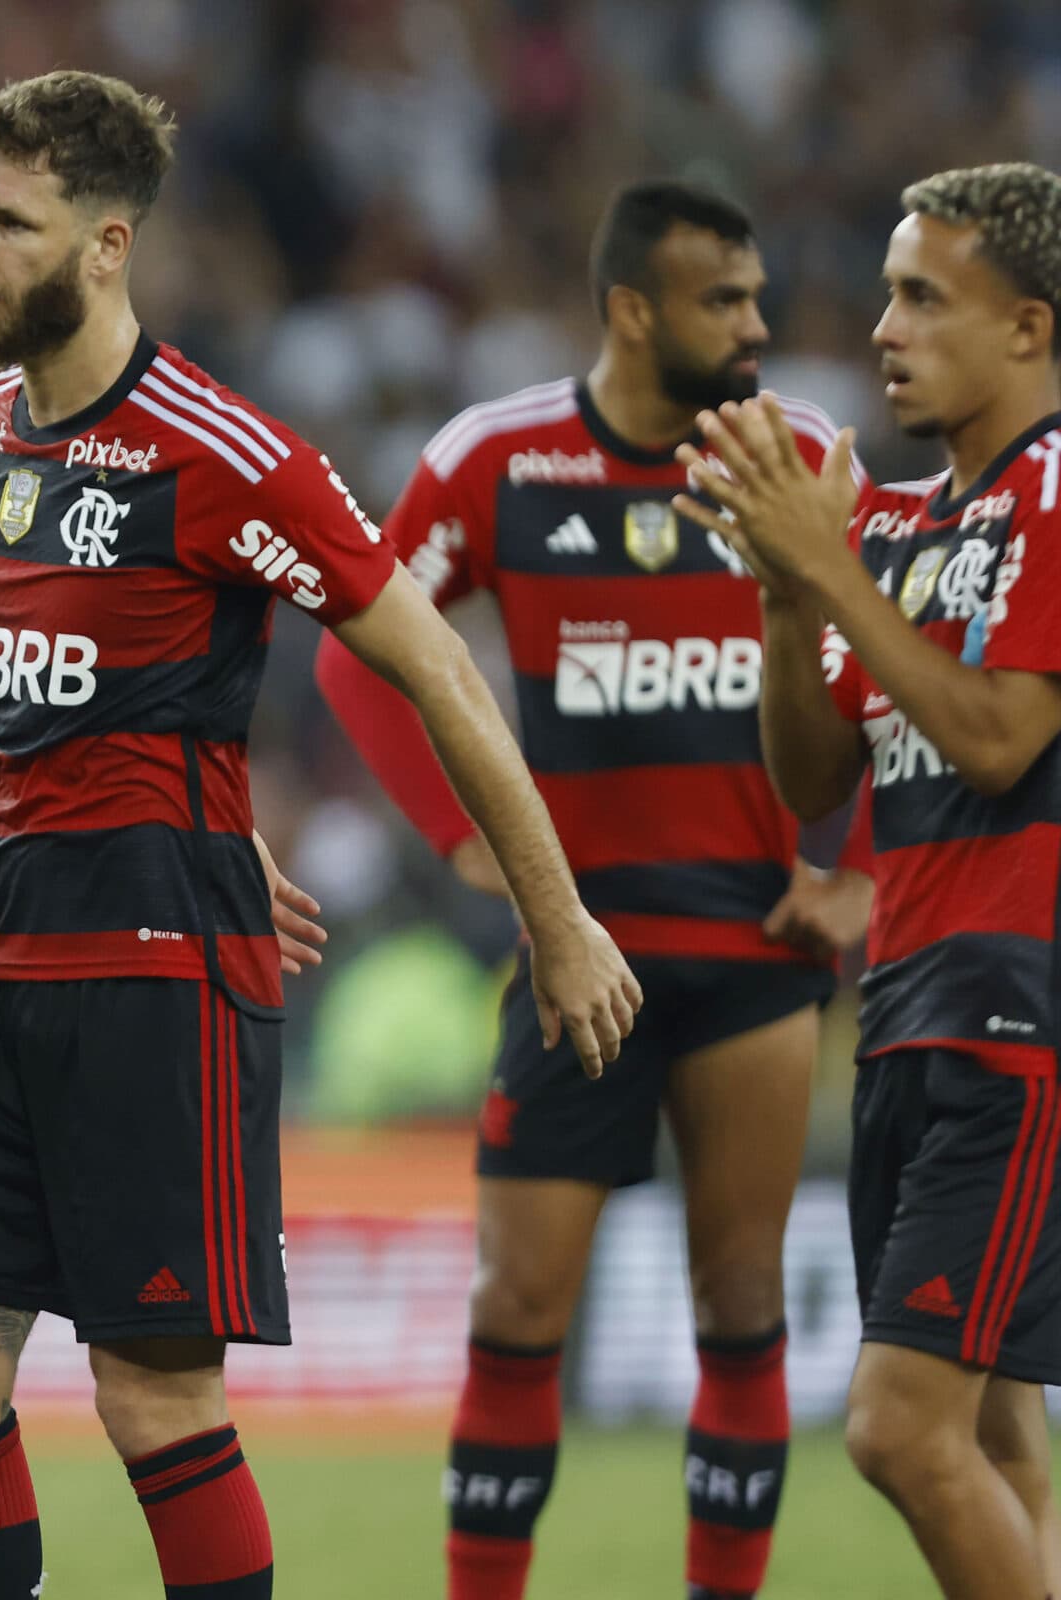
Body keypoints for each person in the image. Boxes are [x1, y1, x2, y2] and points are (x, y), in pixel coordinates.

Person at [0, 70, 639, 1600]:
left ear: (106, 243)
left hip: (152, 981)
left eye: (6, 222)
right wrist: (209, 806)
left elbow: (435, 669)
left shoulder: (222, 447)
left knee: (153, 1398)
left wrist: (561, 921)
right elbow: (74, 694)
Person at [312, 180, 874, 1600]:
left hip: (755, 949)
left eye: (755, 298)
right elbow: (351, 654)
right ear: (634, 308)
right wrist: (471, 846)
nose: (757, 326)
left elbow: (888, 671)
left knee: (743, 1315)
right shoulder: (497, 459)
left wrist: (859, 871)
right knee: (515, 1315)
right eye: (723, 301)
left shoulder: (802, 456)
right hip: (582, 961)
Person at [682, 162, 1061, 1600]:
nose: (885, 325)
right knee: (1000, 1434)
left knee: (901, 1433)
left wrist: (824, 571)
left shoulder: (1055, 492)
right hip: (910, 1001)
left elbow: (1001, 731)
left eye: (923, 296)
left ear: (1028, 328)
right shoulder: (896, 529)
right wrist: (791, 592)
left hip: (1018, 1012)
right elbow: (813, 779)